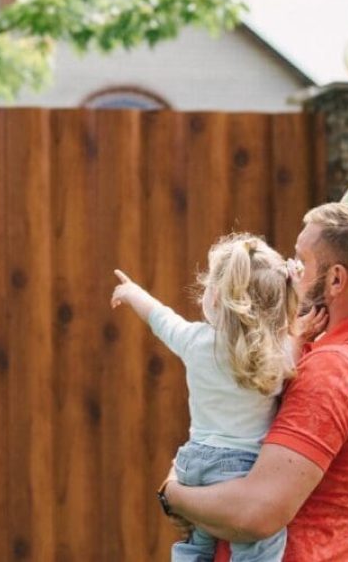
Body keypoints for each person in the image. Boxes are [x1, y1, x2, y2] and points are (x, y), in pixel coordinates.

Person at [159, 202, 348, 562]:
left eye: (300, 261)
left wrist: (172, 494)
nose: (287, 271)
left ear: (337, 280)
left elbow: (255, 514)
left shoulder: (333, 371)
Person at [111, 232, 327, 562]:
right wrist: (299, 317)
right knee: (259, 547)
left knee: (194, 547)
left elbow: (159, 316)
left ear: (214, 299)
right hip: (238, 471)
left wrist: (131, 291)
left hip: (191, 464)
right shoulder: (273, 356)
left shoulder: (194, 340)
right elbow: (290, 347)